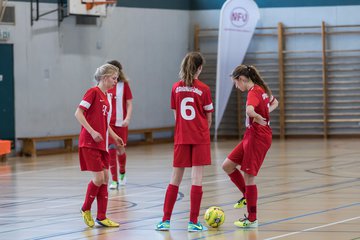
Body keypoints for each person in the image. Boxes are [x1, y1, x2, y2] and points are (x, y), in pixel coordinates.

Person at [155, 52, 214, 232]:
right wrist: (201, 129)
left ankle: (165, 221)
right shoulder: (204, 88)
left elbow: (176, 116)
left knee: (175, 178)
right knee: (197, 179)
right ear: (200, 68)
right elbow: (208, 118)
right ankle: (193, 222)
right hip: (199, 137)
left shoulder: (175, 88)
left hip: (181, 137)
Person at [222, 64, 278, 228]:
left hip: (258, 137)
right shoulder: (261, 90)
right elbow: (276, 102)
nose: (236, 86)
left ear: (241, 79)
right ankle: (247, 195)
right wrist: (264, 113)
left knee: (249, 177)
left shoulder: (254, 92)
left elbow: (249, 110)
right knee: (227, 165)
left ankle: (252, 219)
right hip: (251, 135)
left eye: (235, 82)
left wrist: (257, 115)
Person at [75, 63, 125, 228]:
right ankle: (85, 208)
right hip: (90, 142)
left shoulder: (106, 97)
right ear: (104, 78)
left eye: (117, 79)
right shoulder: (93, 92)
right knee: (98, 178)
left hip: (101, 144)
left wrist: (114, 136)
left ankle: (102, 216)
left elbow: (105, 123)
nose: (115, 82)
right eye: (113, 78)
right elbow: (78, 113)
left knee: (105, 178)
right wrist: (91, 131)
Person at [107, 60, 133, 189]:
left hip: (121, 123)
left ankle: (122, 172)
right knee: (111, 149)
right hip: (109, 123)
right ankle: (114, 180)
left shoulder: (124, 85)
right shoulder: (105, 85)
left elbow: (129, 103)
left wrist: (127, 118)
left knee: (120, 149)